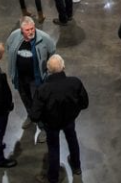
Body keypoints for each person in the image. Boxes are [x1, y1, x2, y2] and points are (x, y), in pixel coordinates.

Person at [30, 55, 89, 183]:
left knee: (53, 148)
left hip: (51, 124)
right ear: (64, 67)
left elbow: (34, 115)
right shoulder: (75, 82)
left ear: (48, 70)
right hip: (69, 120)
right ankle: (77, 166)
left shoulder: (43, 89)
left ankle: (53, 177)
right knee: (72, 140)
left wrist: (44, 119)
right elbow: (84, 103)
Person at [6, 17, 56, 143]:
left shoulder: (44, 38)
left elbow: (52, 52)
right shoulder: (14, 36)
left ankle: (44, 127)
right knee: (25, 98)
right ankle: (31, 116)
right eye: (27, 30)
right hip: (20, 77)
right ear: (21, 30)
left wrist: (46, 70)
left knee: (39, 103)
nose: (30, 31)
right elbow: (9, 48)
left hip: (36, 79)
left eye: (32, 28)